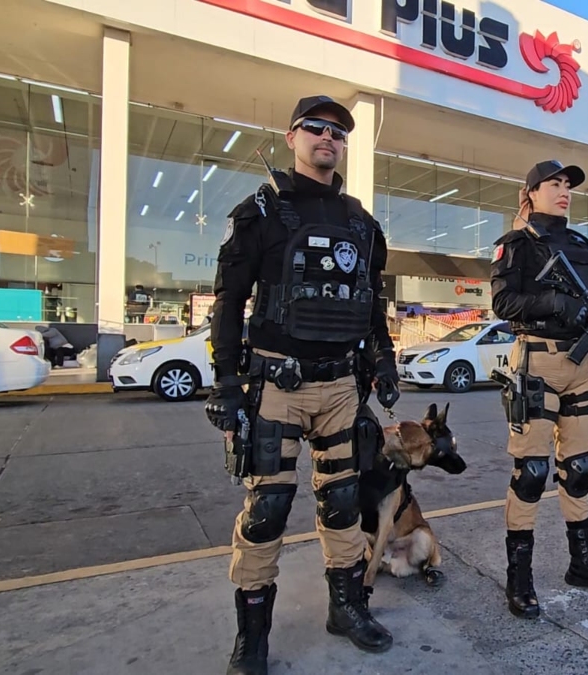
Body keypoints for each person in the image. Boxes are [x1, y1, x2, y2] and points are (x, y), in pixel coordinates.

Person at [203, 95, 402, 673]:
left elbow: (372, 302)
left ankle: (346, 609)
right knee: (267, 508)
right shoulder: (260, 212)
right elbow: (229, 301)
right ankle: (253, 638)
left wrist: (384, 360)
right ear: (291, 137)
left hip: (342, 386)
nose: (328, 138)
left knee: (343, 502)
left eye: (338, 132)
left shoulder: (361, 223)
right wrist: (226, 380)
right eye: (315, 128)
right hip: (276, 384)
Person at [490, 160, 588, 620]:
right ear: (530, 192)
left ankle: (582, 563)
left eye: (568, 184)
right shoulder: (517, 244)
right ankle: (520, 576)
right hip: (538, 359)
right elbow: (503, 303)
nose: (564, 190)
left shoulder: (586, 248)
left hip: (584, 364)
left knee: (580, 468)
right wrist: (555, 302)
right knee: (530, 471)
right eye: (554, 184)